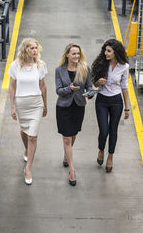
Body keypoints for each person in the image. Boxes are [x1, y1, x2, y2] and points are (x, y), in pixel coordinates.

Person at [9, 38, 48, 185]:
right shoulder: (15, 66)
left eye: (36, 48)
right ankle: (27, 150)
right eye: (32, 48)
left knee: (33, 136)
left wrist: (45, 105)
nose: (35, 51)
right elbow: (12, 86)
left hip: (36, 103)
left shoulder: (41, 65)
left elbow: (43, 86)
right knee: (24, 131)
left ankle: (28, 168)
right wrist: (12, 106)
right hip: (21, 103)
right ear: (25, 49)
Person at [55, 43, 92, 186]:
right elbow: (58, 90)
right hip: (63, 107)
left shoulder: (85, 68)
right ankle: (72, 170)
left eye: (78, 53)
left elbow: (89, 87)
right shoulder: (59, 70)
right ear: (67, 55)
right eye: (74, 53)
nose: (76, 56)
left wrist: (89, 94)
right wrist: (69, 89)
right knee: (66, 139)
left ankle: (66, 156)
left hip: (78, 106)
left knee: (73, 134)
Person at [91, 39, 130, 173]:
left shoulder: (124, 66)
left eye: (109, 51)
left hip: (116, 102)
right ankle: (101, 149)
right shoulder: (101, 63)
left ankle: (110, 156)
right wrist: (98, 82)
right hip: (101, 100)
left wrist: (127, 107)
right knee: (104, 130)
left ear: (116, 52)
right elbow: (94, 84)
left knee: (113, 130)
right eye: (105, 50)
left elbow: (124, 87)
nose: (105, 53)